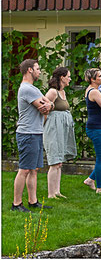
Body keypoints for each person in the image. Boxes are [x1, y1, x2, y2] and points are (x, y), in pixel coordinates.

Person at [11, 59, 53, 212]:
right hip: (27, 133)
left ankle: (33, 201)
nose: (39, 71)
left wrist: (50, 105)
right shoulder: (27, 89)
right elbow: (44, 108)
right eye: (37, 68)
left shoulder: (33, 89)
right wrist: (48, 106)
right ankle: (16, 204)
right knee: (24, 169)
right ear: (29, 70)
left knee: (33, 169)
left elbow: (49, 104)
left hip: (35, 132)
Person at [43, 67, 77, 199]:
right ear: (62, 77)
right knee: (54, 162)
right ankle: (51, 194)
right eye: (68, 76)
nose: (70, 79)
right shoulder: (53, 92)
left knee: (59, 162)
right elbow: (44, 109)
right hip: (53, 129)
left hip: (62, 129)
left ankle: (57, 191)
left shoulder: (63, 92)